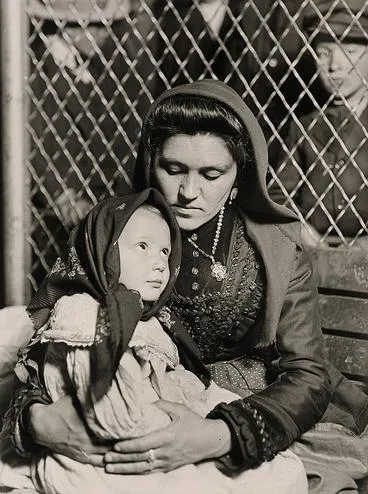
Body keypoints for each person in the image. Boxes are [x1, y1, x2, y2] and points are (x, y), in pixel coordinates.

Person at [5, 80, 368, 493]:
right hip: (125, 406)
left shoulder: (274, 249)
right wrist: (38, 421)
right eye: (173, 169)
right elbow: (46, 340)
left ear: (238, 178)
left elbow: (308, 375)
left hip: (243, 416)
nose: (188, 192)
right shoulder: (110, 233)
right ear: (148, 163)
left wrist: (216, 436)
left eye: (211, 174)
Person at [0, 188, 307, 494]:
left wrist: (207, 420)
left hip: (146, 442)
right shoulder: (86, 315)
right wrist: (170, 427)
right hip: (101, 458)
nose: (161, 263)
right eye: (143, 247)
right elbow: (113, 415)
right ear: (103, 249)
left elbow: (185, 384)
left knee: (285, 474)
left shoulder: (149, 319)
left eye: (164, 252)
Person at [269, 0, 368, 249]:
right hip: (313, 251)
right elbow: (280, 195)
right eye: (324, 53)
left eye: (350, 52)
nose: (335, 66)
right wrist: (301, 231)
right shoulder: (303, 126)